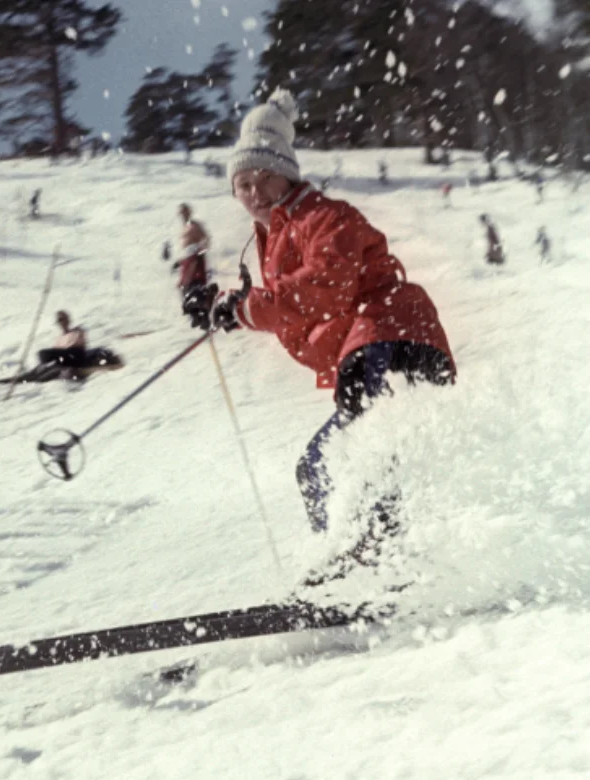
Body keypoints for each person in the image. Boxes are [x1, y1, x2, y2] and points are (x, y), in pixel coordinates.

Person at [187, 88, 455, 578]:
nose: (250, 192)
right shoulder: (278, 238)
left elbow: (322, 289)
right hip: (371, 345)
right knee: (338, 463)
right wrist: (229, 306)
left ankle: (363, 566)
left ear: (284, 173)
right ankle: (374, 563)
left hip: (390, 338)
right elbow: (301, 309)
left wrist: (247, 309)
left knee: (336, 462)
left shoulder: (325, 216)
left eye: (260, 178)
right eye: (240, 184)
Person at [174, 202, 210, 299]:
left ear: (189, 212)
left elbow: (206, 239)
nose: (183, 215)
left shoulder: (194, 225)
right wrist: (180, 262)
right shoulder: (185, 227)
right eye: (181, 213)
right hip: (188, 259)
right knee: (184, 287)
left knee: (192, 286)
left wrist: (199, 253)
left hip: (194, 259)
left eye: (185, 212)